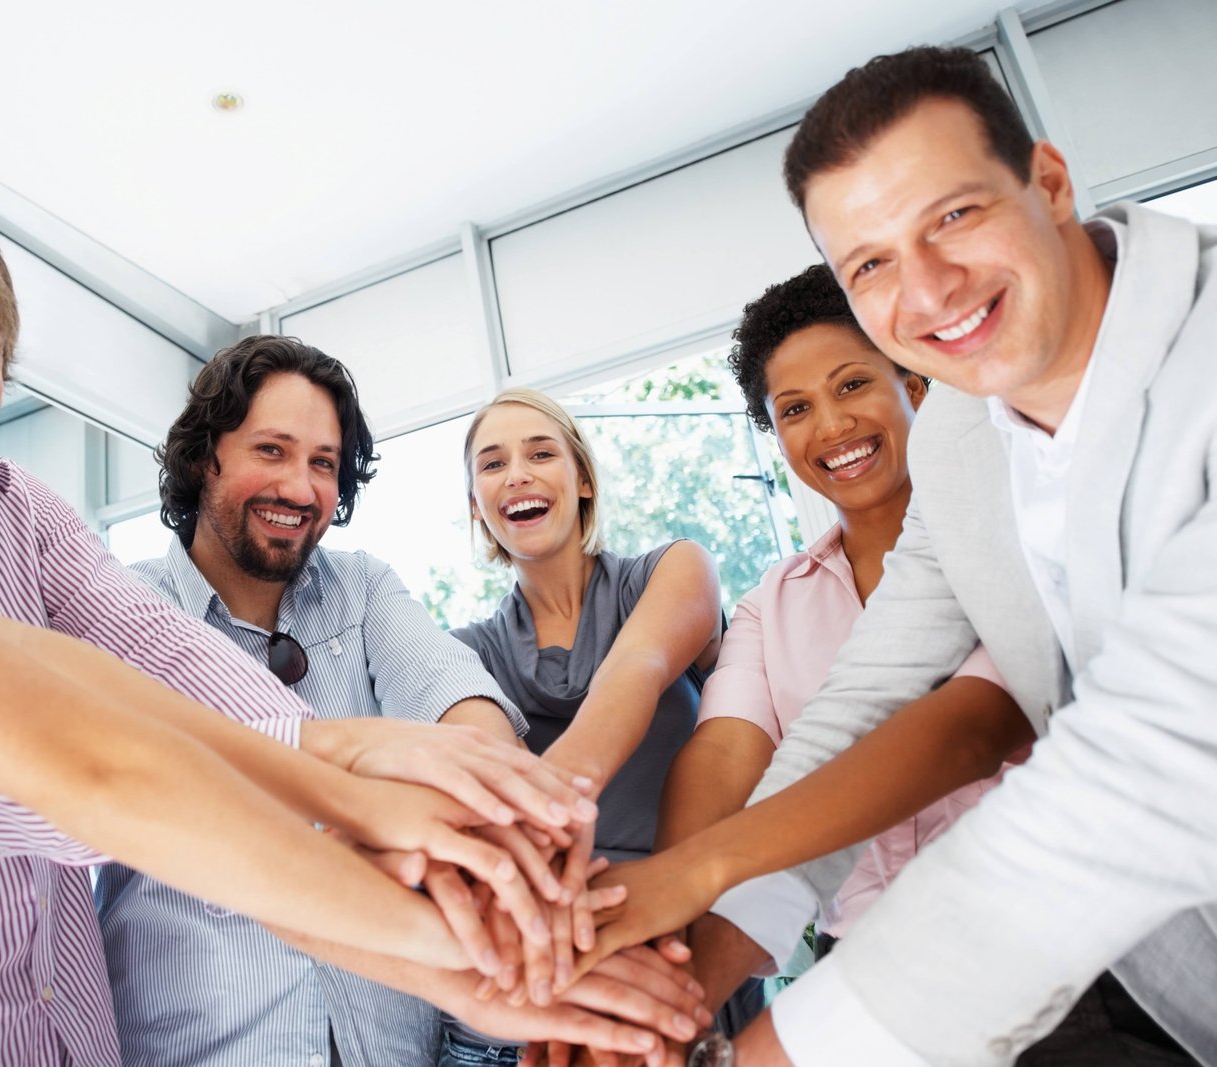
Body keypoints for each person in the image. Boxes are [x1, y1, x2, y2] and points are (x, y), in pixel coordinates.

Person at [0, 2, 585, 1062]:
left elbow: (89, 670)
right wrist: (427, 925)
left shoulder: (5, 514)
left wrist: (334, 762)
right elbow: (70, 764)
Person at [602, 46, 1215, 1066]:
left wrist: (767, 1052)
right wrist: (680, 976)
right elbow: (865, 701)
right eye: (871, 263)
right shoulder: (965, 436)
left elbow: (1143, 771)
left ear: (1050, 184)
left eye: (953, 215)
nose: (927, 289)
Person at [543, 266, 1030, 1066]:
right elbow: (727, 760)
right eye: (795, 409)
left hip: (1043, 935)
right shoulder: (774, 602)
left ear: (914, 380)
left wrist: (684, 881)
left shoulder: (1001, 530)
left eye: (853, 384)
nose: (832, 425)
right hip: (865, 969)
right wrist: (655, 987)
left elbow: (971, 728)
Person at [98, 335, 596, 1066]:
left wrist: (506, 799)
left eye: (323, 464)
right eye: (272, 450)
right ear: (207, 456)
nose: (300, 489)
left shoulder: (362, 588)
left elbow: (452, 694)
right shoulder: (126, 603)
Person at [445, 387, 725, 1064]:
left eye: (541, 452)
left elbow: (637, 667)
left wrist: (545, 801)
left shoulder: (672, 570)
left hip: (691, 935)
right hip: (562, 965)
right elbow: (492, 800)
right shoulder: (465, 654)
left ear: (584, 480)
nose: (517, 472)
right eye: (492, 463)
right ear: (478, 506)